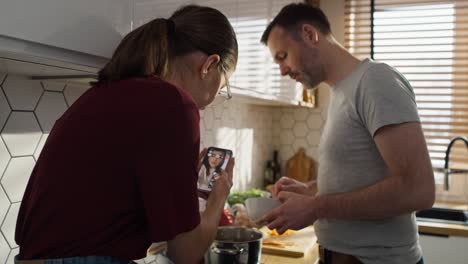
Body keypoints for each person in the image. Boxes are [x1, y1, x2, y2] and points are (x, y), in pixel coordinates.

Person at [14, 4, 237, 264]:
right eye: (224, 87)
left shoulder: (114, 91)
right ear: (209, 65)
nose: (214, 99)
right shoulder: (174, 104)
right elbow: (185, 253)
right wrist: (218, 198)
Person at [258, 3, 435, 264]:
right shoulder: (342, 91)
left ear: (309, 34)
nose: (282, 70)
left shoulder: (375, 81)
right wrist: (311, 190)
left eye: (282, 56)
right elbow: (362, 176)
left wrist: (316, 206)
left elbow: (418, 189)